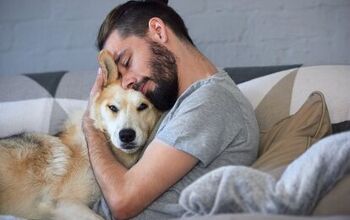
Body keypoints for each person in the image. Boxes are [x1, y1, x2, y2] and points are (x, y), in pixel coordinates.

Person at [82, 0, 259, 219]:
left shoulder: (210, 100)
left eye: (127, 61)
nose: (126, 82)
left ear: (158, 31)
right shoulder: (176, 101)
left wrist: (90, 124)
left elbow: (122, 202)